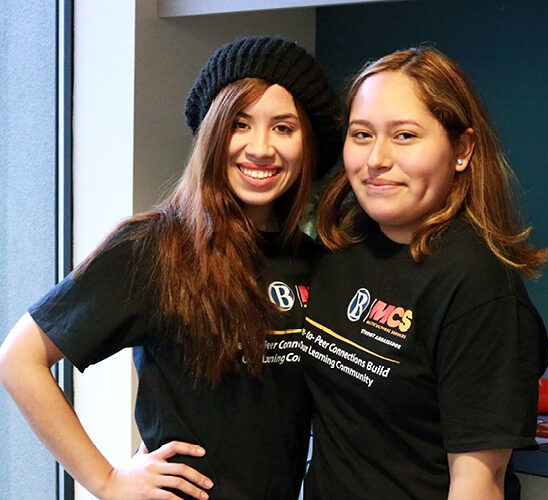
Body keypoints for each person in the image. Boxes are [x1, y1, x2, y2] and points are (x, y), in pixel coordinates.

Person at [0, 35, 341, 500]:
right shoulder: (155, 248)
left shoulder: (314, 263)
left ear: (308, 145)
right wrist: (107, 481)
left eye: (283, 128)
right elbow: (19, 360)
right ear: (212, 133)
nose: (260, 147)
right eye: (240, 124)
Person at [300, 46, 548, 499]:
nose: (376, 159)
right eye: (361, 134)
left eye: (405, 136)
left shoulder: (478, 288)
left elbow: (479, 484)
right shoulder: (342, 243)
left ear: (462, 149)